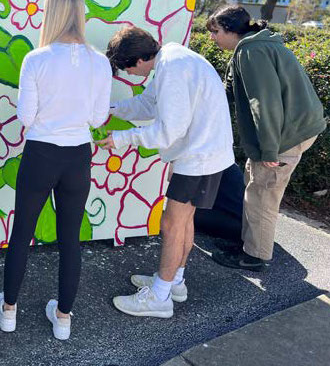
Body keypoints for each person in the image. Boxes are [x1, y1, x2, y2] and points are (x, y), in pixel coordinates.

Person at [0, 0, 112, 340]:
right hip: (78, 155)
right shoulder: (100, 62)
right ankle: (63, 318)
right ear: (81, 14)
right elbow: (98, 118)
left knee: (22, 232)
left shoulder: (36, 58)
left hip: (41, 153)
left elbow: (26, 117)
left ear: (51, 13)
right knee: (70, 239)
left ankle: (9, 311)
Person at [100, 26, 234, 318]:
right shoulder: (171, 59)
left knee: (172, 224)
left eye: (127, 69)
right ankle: (174, 282)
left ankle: (159, 297)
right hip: (204, 153)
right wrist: (111, 108)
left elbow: (169, 131)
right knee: (183, 222)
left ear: (138, 60)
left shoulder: (171, 68)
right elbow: (148, 104)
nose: (129, 74)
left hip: (198, 157)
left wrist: (122, 139)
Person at [206, 5, 326, 271]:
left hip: (285, 136)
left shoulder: (252, 51)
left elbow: (265, 103)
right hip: (293, 128)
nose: (212, 38)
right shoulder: (251, 46)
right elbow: (229, 89)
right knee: (254, 187)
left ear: (230, 30)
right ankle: (248, 245)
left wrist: (270, 151)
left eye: (215, 32)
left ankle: (254, 258)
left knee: (263, 196)